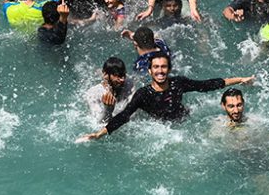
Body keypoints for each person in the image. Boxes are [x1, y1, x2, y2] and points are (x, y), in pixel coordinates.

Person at [80, 53, 254, 140]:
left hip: (185, 121)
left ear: (169, 69)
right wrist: (100, 133)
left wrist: (239, 79)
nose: (160, 70)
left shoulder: (178, 83)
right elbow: (125, 115)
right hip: (163, 130)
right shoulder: (143, 94)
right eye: (156, 67)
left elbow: (206, 85)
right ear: (150, 71)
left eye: (163, 67)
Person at [85, 57, 135, 124]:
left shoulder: (129, 84)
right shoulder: (93, 93)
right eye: (117, 75)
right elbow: (98, 124)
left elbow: (133, 115)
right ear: (105, 74)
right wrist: (108, 110)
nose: (122, 79)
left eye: (123, 75)